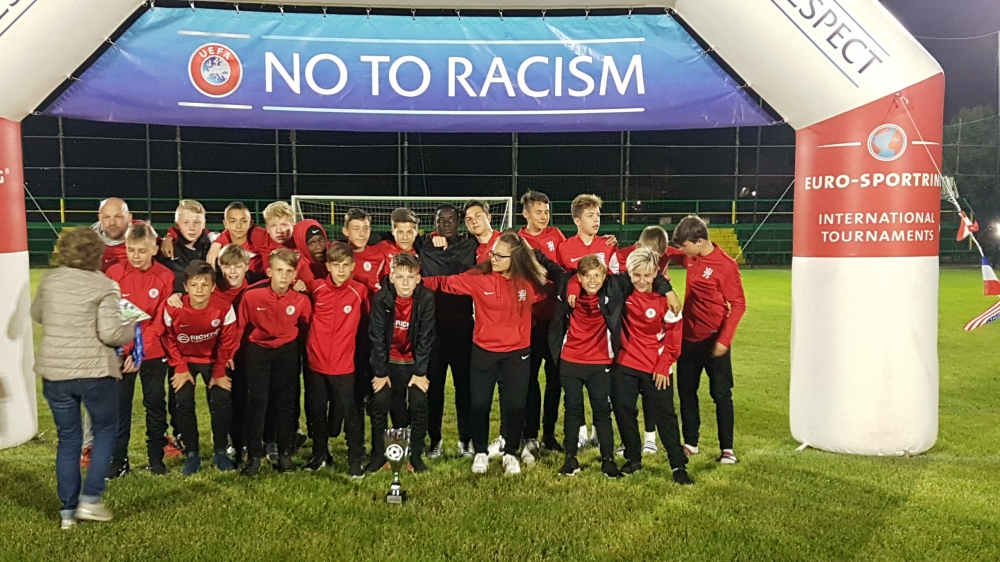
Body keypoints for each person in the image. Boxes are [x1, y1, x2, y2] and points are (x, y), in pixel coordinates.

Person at [32, 228, 137, 528]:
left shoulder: (50, 280)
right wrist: (131, 324)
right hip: (94, 373)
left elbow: (37, 314)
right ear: (97, 254)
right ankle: (90, 500)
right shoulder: (104, 285)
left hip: (56, 374)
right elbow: (111, 334)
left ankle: (67, 513)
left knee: (68, 439)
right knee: (105, 431)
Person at [422, 232, 548, 475]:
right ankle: (480, 452)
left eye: (500, 256)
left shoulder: (530, 282)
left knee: (514, 406)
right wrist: (414, 281)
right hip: (484, 352)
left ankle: (510, 453)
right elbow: (444, 282)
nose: (494, 259)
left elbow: (550, 292)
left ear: (516, 258)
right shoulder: (478, 278)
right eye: (493, 253)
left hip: (517, 354)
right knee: (479, 404)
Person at [608, 247, 692, 484]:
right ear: (629, 273)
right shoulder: (621, 291)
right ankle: (633, 459)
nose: (642, 281)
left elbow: (674, 338)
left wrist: (664, 365)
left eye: (647, 275)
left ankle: (678, 465)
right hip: (625, 362)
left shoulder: (668, 301)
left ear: (656, 273)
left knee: (665, 416)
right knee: (623, 410)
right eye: (636, 275)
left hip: (657, 366)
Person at [670, 215, 747, 464]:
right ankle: (691, 443)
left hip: (714, 341)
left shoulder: (726, 265)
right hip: (688, 339)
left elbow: (738, 304)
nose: (682, 250)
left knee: (721, 395)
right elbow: (672, 253)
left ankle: (727, 450)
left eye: (685, 245)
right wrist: (650, 244)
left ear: (700, 241)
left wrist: (724, 339)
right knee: (686, 393)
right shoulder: (692, 258)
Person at [104, 222, 174, 477]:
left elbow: (160, 320)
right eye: (131, 250)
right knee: (119, 406)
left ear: (154, 249)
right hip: (121, 354)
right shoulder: (114, 273)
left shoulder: (166, 276)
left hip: (153, 352)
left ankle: (156, 459)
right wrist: (126, 349)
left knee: (154, 403)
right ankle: (119, 461)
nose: (136, 256)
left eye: (142, 251)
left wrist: (139, 352)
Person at [237, 249, 312, 477]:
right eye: (279, 270)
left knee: (286, 402)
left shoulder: (301, 299)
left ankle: (284, 453)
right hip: (258, 350)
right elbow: (240, 326)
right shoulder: (252, 295)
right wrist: (231, 354)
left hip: (286, 351)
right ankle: (254, 456)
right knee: (257, 401)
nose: (283, 276)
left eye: (289, 271)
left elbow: (306, 326)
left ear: (295, 275)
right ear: (269, 271)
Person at [555, 194, 619, 450]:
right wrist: (573, 282)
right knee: (573, 395)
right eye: (590, 215)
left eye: (598, 215)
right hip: (575, 328)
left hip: (602, 330)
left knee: (601, 393)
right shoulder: (565, 248)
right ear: (577, 220)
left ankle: (598, 433)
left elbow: (615, 279)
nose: (596, 220)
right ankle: (580, 432)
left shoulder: (608, 245)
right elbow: (563, 278)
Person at [163, 261, 240, 475]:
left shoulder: (224, 307)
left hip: (213, 360)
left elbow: (227, 341)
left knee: (222, 400)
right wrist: (180, 367)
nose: (199, 290)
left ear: (213, 287)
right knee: (183, 402)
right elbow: (168, 339)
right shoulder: (173, 308)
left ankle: (220, 452)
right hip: (184, 360)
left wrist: (219, 371)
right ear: (185, 287)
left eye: (205, 285)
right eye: (194, 285)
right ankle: (192, 454)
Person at [548, 255, 620, 478]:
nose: (592, 280)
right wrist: (572, 284)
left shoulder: (612, 293)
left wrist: (668, 291)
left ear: (604, 276)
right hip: (571, 360)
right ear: (579, 278)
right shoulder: (569, 293)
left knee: (602, 410)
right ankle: (571, 459)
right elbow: (557, 270)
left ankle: (608, 461)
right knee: (573, 409)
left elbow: (634, 276)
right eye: (587, 276)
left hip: (600, 361)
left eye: (597, 275)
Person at [302, 242, 369, 477]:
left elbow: (366, 322)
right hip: (316, 362)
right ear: (328, 266)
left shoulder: (360, 291)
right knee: (317, 410)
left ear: (352, 266)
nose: (341, 270)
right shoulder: (315, 288)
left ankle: (355, 458)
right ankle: (320, 454)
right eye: (336, 265)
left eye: (346, 265)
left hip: (344, 364)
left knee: (351, 413)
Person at [611, 225, 678, 456]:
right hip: (625, 356)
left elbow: (674, 335)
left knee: (657, 401)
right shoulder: (621, 263)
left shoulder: (663, 293)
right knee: (623, 404)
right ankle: (628, 444)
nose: (642, 278)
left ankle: (651, 439)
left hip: (653, 358)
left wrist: (667, 290)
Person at [417, 205, 477, 458]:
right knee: (434, 389)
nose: (446, 224)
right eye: (441, 220)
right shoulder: (423, 245)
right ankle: (435, 441)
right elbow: (393, 235)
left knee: (465, 388)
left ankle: (466, 440)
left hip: (463, 326)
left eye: (451, 220)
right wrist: (431, 238)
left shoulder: (470, 245)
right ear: (434, 223)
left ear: (459, 222)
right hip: (433, 328)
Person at [367, 253, 435, 473]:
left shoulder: (426, 298)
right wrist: (380, 372)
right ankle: (379, 455)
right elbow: (377, 337)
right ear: (391, 277)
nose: (405, 283)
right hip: (389, 361)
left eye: (410, 277)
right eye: (400, 277)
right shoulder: (381, 299)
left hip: (413, 362)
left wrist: (420, 372)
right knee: (380, 401)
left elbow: (425, 336)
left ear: (418, 279)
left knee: (419, 402)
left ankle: (415, 456)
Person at [517, 190, 566, 456]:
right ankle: (530, 434)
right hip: (530, 321)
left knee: (555, 378)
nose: (544, 216)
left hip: (556, 320)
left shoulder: (556, 236)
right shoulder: (518, 241)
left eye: (547, 211)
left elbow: (568, 265)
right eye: (538, 212)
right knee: (530, 379)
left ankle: (549, 433)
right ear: (525, 214)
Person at [158, 200, 217, 294]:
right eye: (186, 222)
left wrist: (217, 245)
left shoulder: (214, 246)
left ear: (204, 224)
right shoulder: (165, 249)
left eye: (196, 222)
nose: (191, 227)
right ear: (177, 224)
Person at [205, 201, 271, 275]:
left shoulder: (259, 243)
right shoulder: (221, 249)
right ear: (225, 224)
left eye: (243, 221)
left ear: (250, 223)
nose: (238, 226)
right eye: (233, 221)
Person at [341, 208, 386, 294]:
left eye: (366, 228)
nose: (362, 234)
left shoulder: (378, 256)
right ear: (345, 231)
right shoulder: (336, 254)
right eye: (356, 229)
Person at [93, 197, 135, 273]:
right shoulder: (88, 244)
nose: (112, 223)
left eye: (118, 217)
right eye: (106, 217)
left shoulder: (145, 236)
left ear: (129, 218)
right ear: (99, 218)